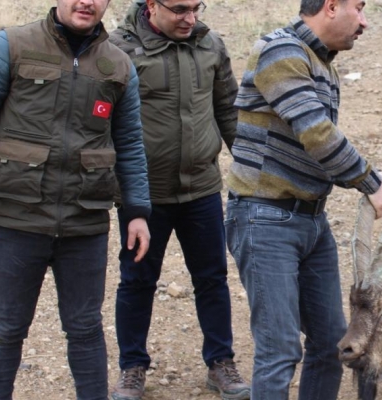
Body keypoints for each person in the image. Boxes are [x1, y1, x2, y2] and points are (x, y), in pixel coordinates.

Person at [0, 0, 152, 398]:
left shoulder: (118, 64)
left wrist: (136, 211)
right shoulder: (12, 45)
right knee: (6, 327)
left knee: (85, 329)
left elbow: (130, 143)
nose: (87, 2)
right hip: (19, 215)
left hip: (86, 221)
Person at [224, 0, 382, 397]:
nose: (365, 21)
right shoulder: (282, 51)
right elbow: (316, 133)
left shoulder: (322, 63)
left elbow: (312, 150)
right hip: (265, 218)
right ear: (332, 6)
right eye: (359, 8)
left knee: (329, 343)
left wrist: (367, 177)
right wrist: (370, 182)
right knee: (279, 349)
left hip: (311, 221)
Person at [107, 1, 249, 399]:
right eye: (180, 10)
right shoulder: (118, 50)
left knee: (212, 278)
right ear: (152, 5)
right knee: (137, 281)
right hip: (143, 195)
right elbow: (102, 124)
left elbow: (229, 111)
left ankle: (220, 362)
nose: (191, 18)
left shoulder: (211, 46)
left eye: (197, 8)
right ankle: (132, 367)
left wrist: (253, 173)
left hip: (201, 187)